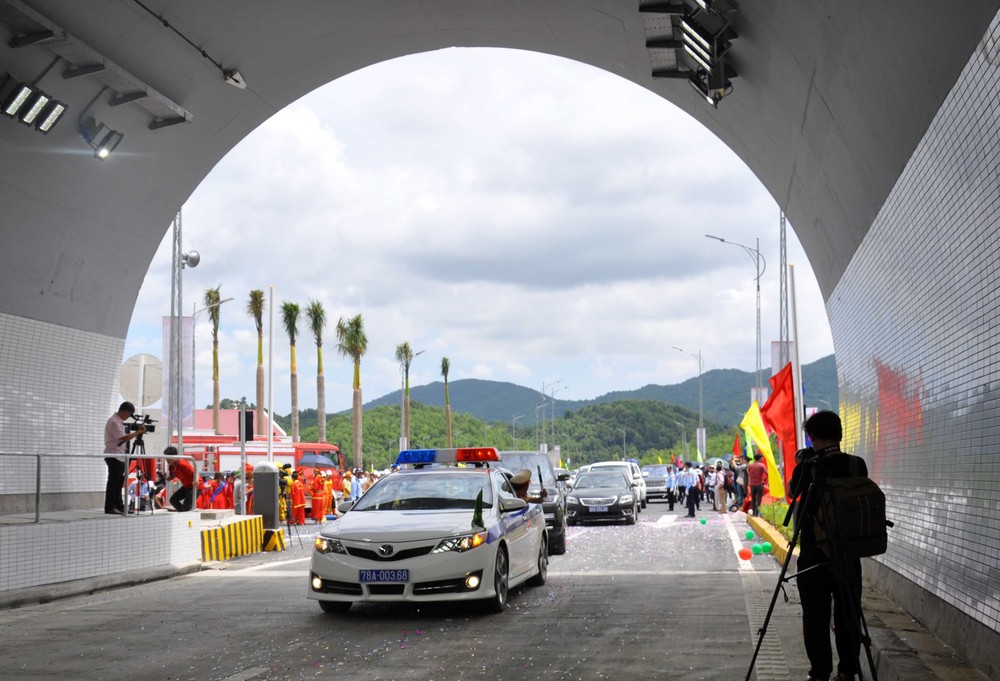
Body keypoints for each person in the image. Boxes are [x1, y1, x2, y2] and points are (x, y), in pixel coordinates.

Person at [790, 410, 869, 681]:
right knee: (848, 614)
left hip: (814, 553)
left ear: (811, 437)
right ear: (839, 434)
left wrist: (803, 462)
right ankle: (848, 671)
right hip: (848, 552)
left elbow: (793, 492)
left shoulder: (808, 467)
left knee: (815, 617)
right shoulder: (857, 465)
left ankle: (820, 674)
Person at [103, 401, 146, 515]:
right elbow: (124, 438)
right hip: (114, 455)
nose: (128, 417)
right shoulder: (114, 422)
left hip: (119, 456)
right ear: (127, 411)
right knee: (113, 483)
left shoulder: (118, 421)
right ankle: (110, 507)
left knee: (118, 482)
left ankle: (119, 506)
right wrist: (138, 432)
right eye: (129, 414)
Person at [165, 446, 196, 511]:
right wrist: (168, 478)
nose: (166, 460)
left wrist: (196, 481)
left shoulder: (183, 464)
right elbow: (173, 476)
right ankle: (183, 515)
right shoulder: (171, 467)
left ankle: (185, 514)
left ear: (174, 457)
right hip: (187, 486)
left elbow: (196, 472)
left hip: (195, 486)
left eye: (168, 458)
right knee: (173, 500)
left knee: (186, 507)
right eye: (166, 458)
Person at [747, 453, 768, 517]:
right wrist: (764, 480)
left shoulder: (750, 466)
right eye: (762, 458)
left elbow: (748, 474)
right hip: (759, 484)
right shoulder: (761, 465)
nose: (762, 459)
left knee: (753, 498)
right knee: (759, 499)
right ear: (759, 458)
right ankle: (756, 512)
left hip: (752, 484)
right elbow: (767, 473)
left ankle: (753, 512)